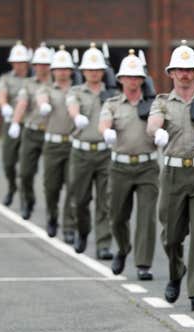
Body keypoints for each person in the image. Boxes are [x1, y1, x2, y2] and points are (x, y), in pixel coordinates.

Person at [147, 40, 194, 312]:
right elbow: (152, 122)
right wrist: (156, 132)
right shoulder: (162, 102)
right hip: (172, 173)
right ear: (171, 73)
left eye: (189, 70)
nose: (184, 74)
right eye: (179, 70)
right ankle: (175, 271)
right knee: (171, 236)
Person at [99, 50, 159, 281]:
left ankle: (143, 264)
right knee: (117, 216)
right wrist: (107, 132)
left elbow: (159, 121)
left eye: (137, 77)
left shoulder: (154, 104)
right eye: (129, 77)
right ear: (121, 79)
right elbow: (103, 122)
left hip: (147, 166)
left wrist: (160, 132)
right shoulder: (113, 104)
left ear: (142, 80)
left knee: (146, 216)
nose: (133, 81)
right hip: (120, 168)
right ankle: (123, 248)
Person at [66, 43, 113, 259]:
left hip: (105, 152)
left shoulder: (112, 94)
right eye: (90, 70)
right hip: (82, 152)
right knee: (80, 199)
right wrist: (77, 117)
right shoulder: (75, 92)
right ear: (83, 71)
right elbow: (71, 106)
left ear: (103, 71)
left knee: (105, 200)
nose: (94, 73)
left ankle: (104, 243)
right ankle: (82, 231)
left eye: (97, 69)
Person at [36, 46, 76, 242]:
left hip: (73, 145)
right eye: (58, 68)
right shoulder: (46, 89)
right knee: (51, 187)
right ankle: (52, 216)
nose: (62, 72)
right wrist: (44, 105)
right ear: (53, 71)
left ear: (70, 70)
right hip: (52, 145)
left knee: (72, 185)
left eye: (65, 68)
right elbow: (41, 97)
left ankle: (69, 225)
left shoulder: (77, 90)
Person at [11, 43, 52, 220]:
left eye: (45, 64)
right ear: (34, 66)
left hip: (51, 134)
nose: (42, 67)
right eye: (39, 64)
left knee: (52, 179)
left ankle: (54, 212)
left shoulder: (57, 83)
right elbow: (22, 104)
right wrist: (15, 122)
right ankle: (28, 201)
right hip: (31, 132)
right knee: (25, 173)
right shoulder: (28, 85)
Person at [0, 41, 30, 207]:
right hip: (11, 124)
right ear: (11, 63)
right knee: (8, 162)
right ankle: (12, 187)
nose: (18, 65)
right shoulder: (6, 78)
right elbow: (1, 94)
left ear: (26, 62)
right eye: (16, 62)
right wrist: (4, 106)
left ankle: (25, 198)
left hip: (28, 125)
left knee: (25, 166)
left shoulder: (33, 79)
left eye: (21, 61)